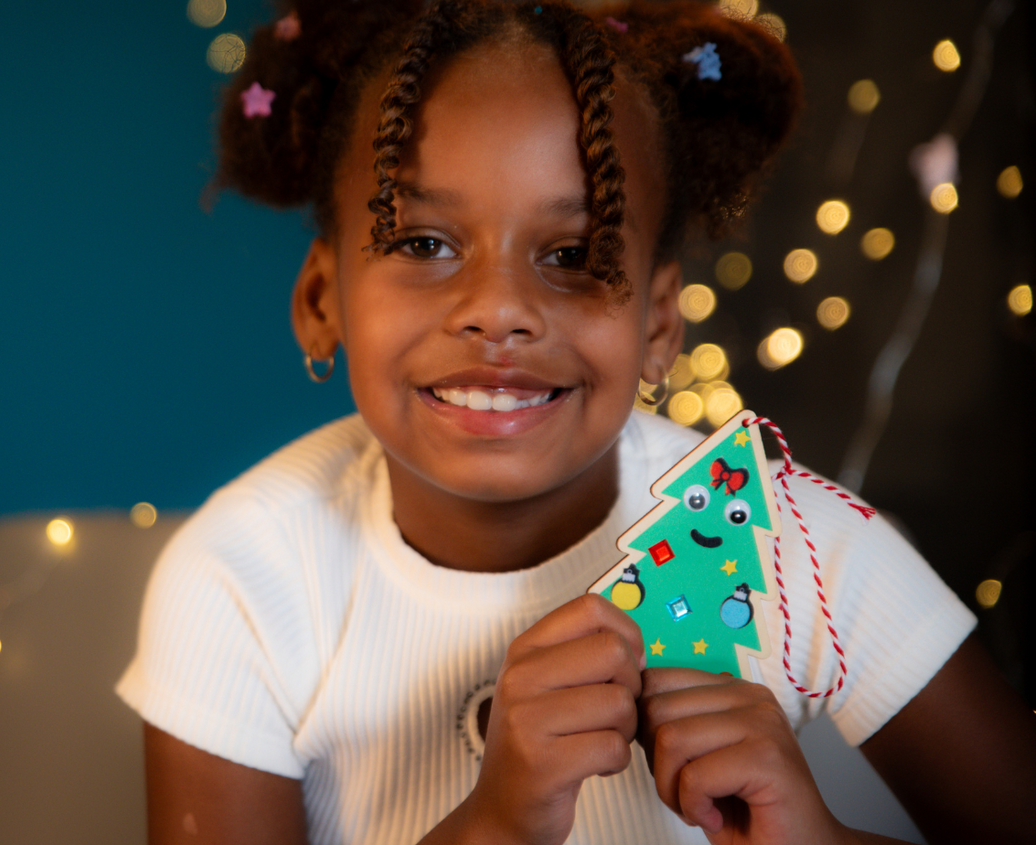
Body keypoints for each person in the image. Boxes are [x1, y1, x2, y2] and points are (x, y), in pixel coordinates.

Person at [116, 2, 1036, 844]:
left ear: (660, 323)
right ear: (322, 299)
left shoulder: (798, 543)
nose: (499, 309)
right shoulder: (239, 577)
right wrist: (497, 823)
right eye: (426, 243)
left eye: (572, 254)